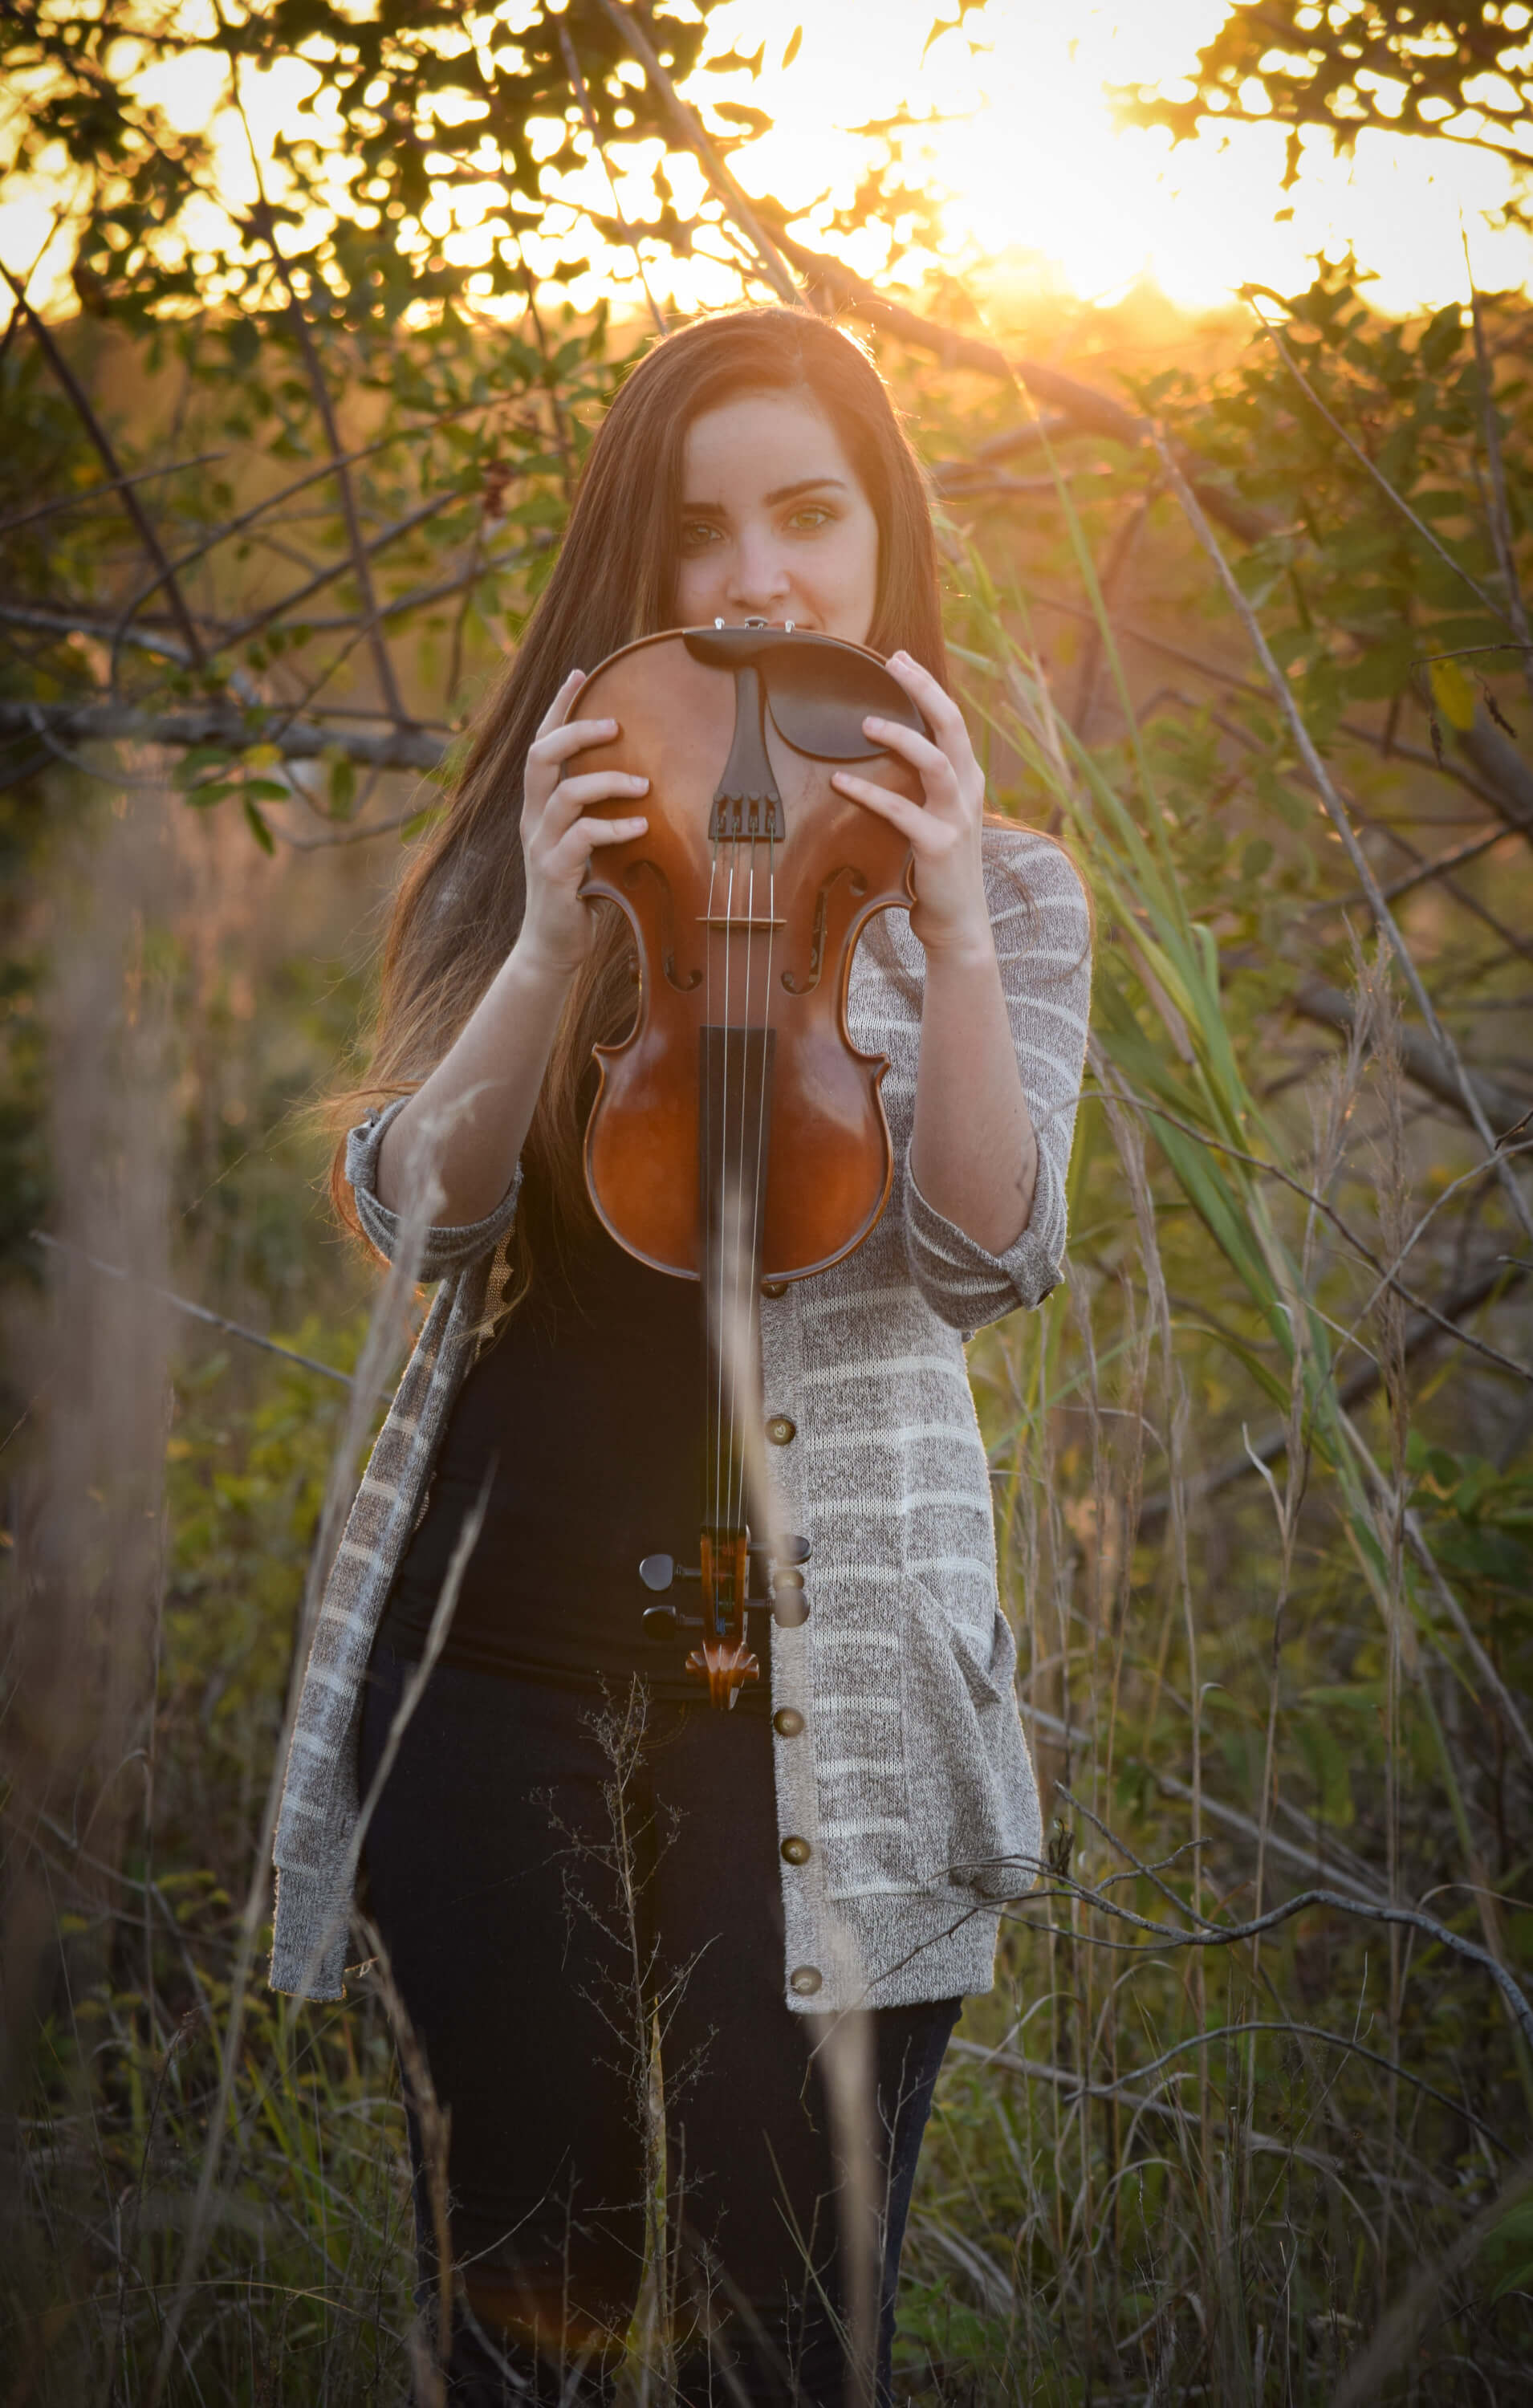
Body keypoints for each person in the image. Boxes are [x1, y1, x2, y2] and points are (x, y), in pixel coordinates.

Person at [270, 307, 1092, 2406]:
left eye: (807, 518)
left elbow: (994, 1258)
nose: (754, 581)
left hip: (815, 1704)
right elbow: (415, 1214)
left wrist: (946, 925)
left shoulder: (1000, 890)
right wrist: (550, 939)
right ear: (638, 573)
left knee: (779, 2338)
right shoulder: (540, 839)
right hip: (490, 1677)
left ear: (880, 542)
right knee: (524, 2324)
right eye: (704, 531)